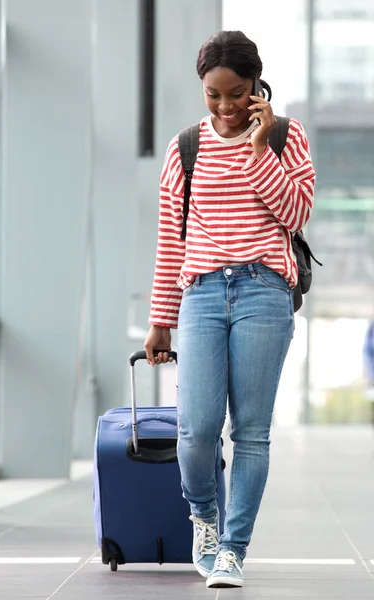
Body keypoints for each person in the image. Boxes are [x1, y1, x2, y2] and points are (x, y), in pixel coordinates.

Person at [144, 30, 315, 589]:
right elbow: (172, 241)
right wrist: (159, 320)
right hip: (201, 294)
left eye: (237, 93)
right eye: (213, 95)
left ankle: (234, 550)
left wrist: (261, 149)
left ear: (257, 86)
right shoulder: (184, 148)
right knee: (195, 430)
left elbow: (295, 215)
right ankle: (205, 518)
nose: (226, 106)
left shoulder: (287, 137)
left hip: (265, 292)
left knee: (252, 432)